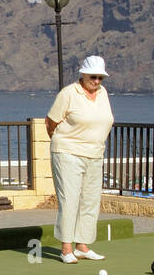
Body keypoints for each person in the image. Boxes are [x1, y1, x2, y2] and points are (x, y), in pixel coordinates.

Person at [46, 55, 115, 263]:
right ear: (83, 74)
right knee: (69, 200)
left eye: (100, 77)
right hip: (68, 153)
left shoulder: (103, 93)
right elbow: (51, 122)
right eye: (93, 77)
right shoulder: (68, 93)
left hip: (95, 154)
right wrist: (64, 141)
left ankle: (82, 246)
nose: (97, 81)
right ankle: (66, 248)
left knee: (90, 200)